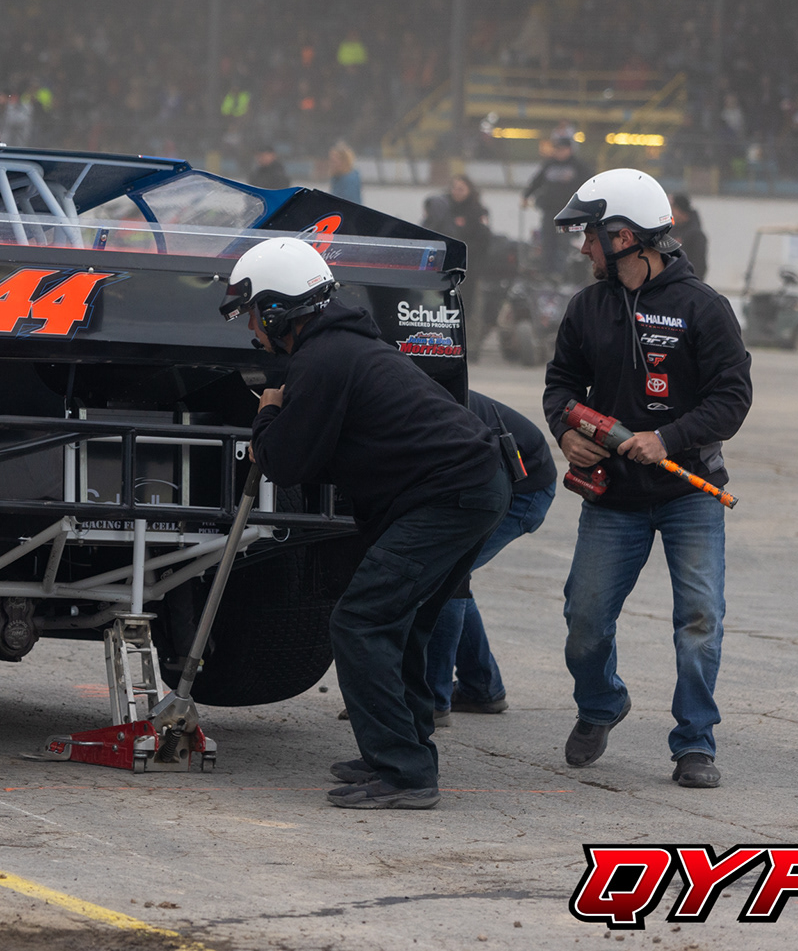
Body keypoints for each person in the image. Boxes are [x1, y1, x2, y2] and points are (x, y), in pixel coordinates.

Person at [227, 237, 510, 810]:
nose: (252, 328)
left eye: (254, 313)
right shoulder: (345, 346)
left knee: (361, 622)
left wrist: (268, 412)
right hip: (470, 488)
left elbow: (285, 461)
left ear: (278, 309)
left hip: (448, 495)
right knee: (401, 622)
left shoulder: (322, 360)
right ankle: (402, 750)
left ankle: (404, 772)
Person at [545, 168, 752, 790]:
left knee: (699, 622)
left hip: (690, 493)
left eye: (591, 236)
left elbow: (732, 399)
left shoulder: (704, 308)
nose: (584, 248)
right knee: (584, 621)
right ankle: (601, 703)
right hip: (613, 498)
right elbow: (561, 385)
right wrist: (565, 432)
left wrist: (668, 438)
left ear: (626, 236)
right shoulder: (586, 307)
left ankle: (695, 743)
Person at [425, 392, 557, 723]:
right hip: (486, 478)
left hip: (524, 487)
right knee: (450, 575)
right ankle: (482, 688)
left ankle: (431, 701)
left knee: (443, 575)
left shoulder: (421, 402)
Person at [423, 176, 494, 362]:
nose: (457, 192)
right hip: (446, 268)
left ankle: (471, 348)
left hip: (471, 267)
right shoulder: (443, 209)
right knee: (445, 307)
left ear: (469, 190)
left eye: (461, 188)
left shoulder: (478, 211)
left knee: (470, 309)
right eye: (454, 188)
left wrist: (462, 249)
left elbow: (484, 240)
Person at [521, 136, 589, 264]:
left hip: (569, 211)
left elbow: (589, 183)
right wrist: (526, 195)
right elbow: (537, 181)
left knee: (564, 242)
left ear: (569, 150)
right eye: (558, 149)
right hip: (550, 209)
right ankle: (547, 269)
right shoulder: (549, 164)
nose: (559, 152)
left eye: (562, 149)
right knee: (548, 240)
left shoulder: (578, 166)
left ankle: (562, 270)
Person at [669, 192, 707, 278]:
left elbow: (699, 265)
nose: (671, 213)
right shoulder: (672, 231)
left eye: (673, 209)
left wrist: (691, 281)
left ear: (680, 210)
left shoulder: (696, 235)